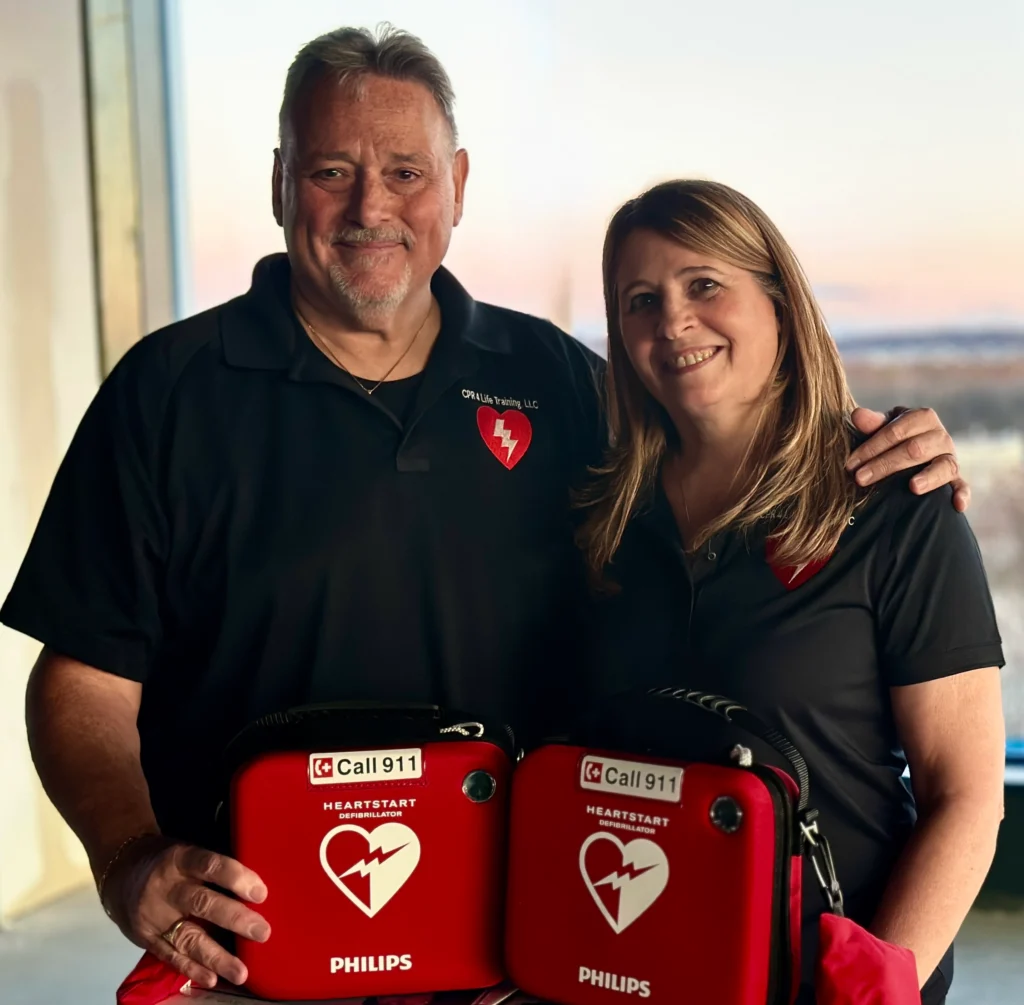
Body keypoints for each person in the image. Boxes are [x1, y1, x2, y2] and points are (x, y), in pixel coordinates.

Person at [1, 25, 970, 993]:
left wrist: (885, 444)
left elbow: (711, 415)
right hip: (250, 960)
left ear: (457, 185)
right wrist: (127, 855)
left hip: (522, 961)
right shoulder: (167, 394)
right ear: (279, 182)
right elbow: (82, 680)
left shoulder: (552, 382)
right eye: (331, 169)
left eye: (406, 172)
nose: (370, 205)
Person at [578, 179, 1006, 1005]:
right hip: (646, 964)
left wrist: (873, 982)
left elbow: (967, 796)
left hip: (828, 980)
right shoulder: (605, 515)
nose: (673, 321)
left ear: (778, 299)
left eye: (705, 284)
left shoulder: (893, 501)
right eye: (641, 299)